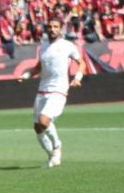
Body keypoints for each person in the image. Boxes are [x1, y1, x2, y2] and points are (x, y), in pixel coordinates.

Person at [18, 18, 86, 168]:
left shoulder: (68, 46)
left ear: (61, 29)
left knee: (44, 120)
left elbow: (82, 63)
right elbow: (38, 67)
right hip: (43, 89)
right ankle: (51, 156)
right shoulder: (43, 47)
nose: (52, 29)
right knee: (37, 127)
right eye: (50, 26)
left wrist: (77, 77)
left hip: (59, 89)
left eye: (56, 26)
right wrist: (27, 75)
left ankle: (57, 146)